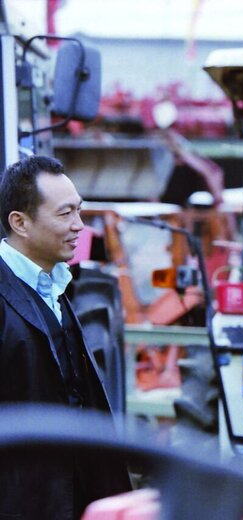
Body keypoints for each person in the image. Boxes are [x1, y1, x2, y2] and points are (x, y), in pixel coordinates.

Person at [0, 156, 131, 519]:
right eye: (65, 214)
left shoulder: (54, 287)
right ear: (20, 222)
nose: (79, 226)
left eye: (79, 210)